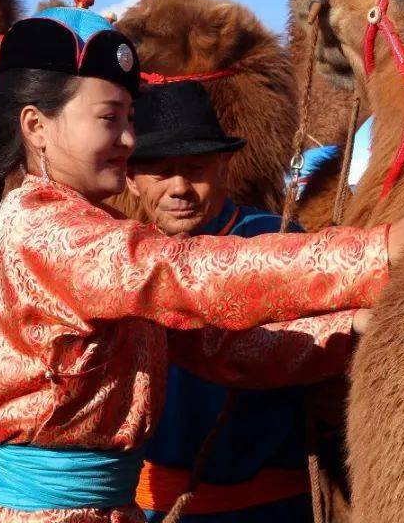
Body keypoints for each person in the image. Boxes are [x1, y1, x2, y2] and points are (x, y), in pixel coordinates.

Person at [0, 0, 404, 523]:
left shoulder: (87, 231)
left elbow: (220, 350)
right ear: (36, 126)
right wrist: (379, 251)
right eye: (110, 119)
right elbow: (185, 274)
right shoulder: (50, 231)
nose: (129, 140)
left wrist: (353, 328)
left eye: (130, 119)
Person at [126, 83, 366, 522]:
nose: (179, 187)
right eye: (160, 173)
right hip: (153, 507)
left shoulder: (276, 241)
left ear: (224, 166)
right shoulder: (125, 260)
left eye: (196, 168)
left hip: (270, 507)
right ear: (131, 179)